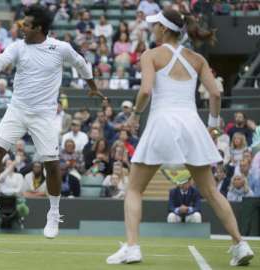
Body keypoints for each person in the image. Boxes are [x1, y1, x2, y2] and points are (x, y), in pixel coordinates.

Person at [107, 10, 254, 266]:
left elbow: (145, 91)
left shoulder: (151, 55)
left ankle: (132, 248)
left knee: (133, 189)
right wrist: (213, 126)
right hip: (192, 126)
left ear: (163, 30)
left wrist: (134, 117)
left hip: (162, 123)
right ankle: (240, 244)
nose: (152, 30)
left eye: (155, 26)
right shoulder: (196, 59)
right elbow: (216, 96)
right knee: (211, 191)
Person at [0, 4, 105, 240]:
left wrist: (93, 88)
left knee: (52, 166)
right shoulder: (17, 47)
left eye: (27, 24)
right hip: (17, 110)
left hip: (44, 116)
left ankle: (53, 214)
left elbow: (82, 64)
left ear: (40, 28)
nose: (21, 27)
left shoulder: (60, 48)